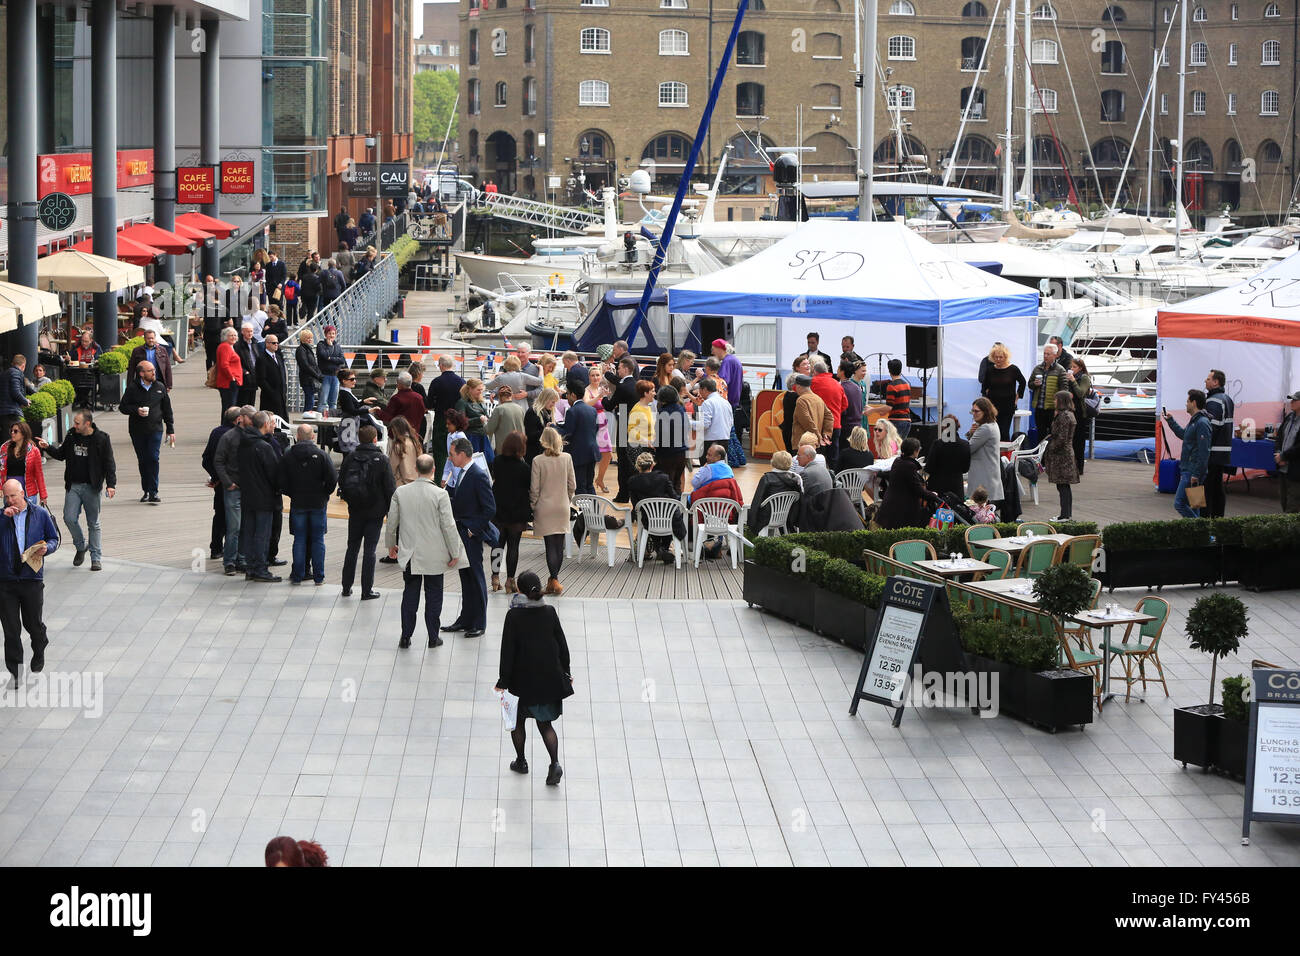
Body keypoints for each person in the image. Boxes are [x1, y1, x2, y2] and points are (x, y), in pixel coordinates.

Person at [495, 570, 572, 786]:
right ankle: (554, 763)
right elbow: (562, 646)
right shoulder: (549, 612)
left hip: (521, 682)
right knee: (545, 724)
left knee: (517, 722)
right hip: (548, 679)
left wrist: (503, 681)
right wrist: (566, 671)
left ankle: (521, 761)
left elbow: (507, 652)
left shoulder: (513, 616)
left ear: (519, 590)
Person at [385, 454, 463, 648]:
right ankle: (433, 637)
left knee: (410, 594)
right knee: (434, 596)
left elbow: (392, 522)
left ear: (416, 469)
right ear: (434, 470)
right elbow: (448, 526)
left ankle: (406, 636)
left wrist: (391, 545)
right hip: (434, 554)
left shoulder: (401, 492)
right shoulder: (440, 494)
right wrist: (455, 552)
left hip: (410, 553)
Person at [38, 411, 115, 572]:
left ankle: (96, 558)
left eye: (77, 423)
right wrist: (48, 447)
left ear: (87, 424)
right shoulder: (72, 435)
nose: (74, 425)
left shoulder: (101, 438)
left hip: (92, 487)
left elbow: (109, 463)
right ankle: (81, 546)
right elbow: (61, 455)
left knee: (93, 523)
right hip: (73, 485)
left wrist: (111, 484)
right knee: (69, 518)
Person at [0, 479, 59, 684]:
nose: (9, 501)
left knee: (32, 624)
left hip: (31, 579)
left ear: (23, 493)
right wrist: (2, 518)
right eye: (5, 497)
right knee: (11, 630)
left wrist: (47, 548)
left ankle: (40, 645)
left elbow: (54, 539)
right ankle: (15, 672)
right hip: (6, 581)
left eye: (13, 496)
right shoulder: (2, 516)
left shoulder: (39, 514)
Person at [444, 437, 496, 638]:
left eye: (452, 454)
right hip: (461, 531)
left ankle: (479, 622)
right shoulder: (464, 473)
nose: (450, 457)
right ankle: (466, 619)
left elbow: (490, 508)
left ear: (463, 454)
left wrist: (473, 530)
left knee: (476, 578)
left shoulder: (478, 475)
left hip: (470, 534)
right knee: (465, 577)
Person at [338, 424, 396, 598]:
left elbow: (341, 482)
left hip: (355, 510)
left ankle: (346, 587)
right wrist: (389, 511)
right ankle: (366, 590)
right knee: (369, 551)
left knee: (352, 548)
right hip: (375, 512)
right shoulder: (382, 460)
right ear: (375, 439)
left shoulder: (351, 458)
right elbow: (390, 488)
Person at [279, 424, 336, 586]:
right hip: (318, 502)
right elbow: (332, 479)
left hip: (298, 502)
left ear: (297, 436)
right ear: (313, 437)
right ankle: (319, 577)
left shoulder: (289, 455)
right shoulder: (321, 455)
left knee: (299, 539)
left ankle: (297, 575)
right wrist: (324, 493)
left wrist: (292, 493)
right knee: (318, 540)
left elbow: (281, 480)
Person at [236, 411, 283, 583]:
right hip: (264, 497)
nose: (272, 425)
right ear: (264, 425)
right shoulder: (264, 447)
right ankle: (260, 569)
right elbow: (274, 473)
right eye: (270, 423)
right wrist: (279, 488)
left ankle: (250, 568)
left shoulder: (243, 442)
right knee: (262, 534)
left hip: (248, 495)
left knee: (249, 532)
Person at [119, 360, 174, 504]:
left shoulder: (160, 387)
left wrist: (170, 429)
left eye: (154, 370)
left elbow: (167, 409)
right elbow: (123, 407)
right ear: (142, 373)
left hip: (155, 428)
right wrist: (136, 410)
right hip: (137, 430)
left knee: (153, 458)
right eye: (150, 371)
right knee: (143, 460)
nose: (154, 372)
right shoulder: (133, 388)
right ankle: (146, 490)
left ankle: (154, 491)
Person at [530, 426, 576, 596]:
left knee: (550, 545)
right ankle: (554, 579)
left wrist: (534, 505)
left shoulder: (538, 460)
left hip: (545, 506)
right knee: (559, 545)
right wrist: (567, 499)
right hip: (562, 505)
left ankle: (553, 580)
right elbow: (573, 485)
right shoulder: (567, 458)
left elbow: (534, 488)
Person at [490, 431, 533, 594]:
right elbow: (529, 486)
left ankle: (495, 577)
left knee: (497, 545)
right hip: (517, 511)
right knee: (513, 547)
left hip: (499, 509)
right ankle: (510, 580)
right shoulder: (524, 467)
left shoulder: (498, 461)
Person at [214, 405, 255, 575]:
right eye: (250, 418)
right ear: (241, 418)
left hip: (249, 488)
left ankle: (242, 558)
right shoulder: (229, 436)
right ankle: (230, 561)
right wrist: (228, 482)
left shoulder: (253, 435)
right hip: (234, 487)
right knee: (234, 527)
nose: (252, 421)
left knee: (246, 526)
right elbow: (218, 461)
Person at [1164, 389, 1212, 519]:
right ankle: (1202, 536)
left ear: (1194, 403)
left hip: (1192, 472)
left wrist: (1196, 474)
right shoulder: (1195, 421)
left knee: (1179, 503)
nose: (1185, 404)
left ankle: (1205, 532)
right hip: (1191, 470)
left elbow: (1204, 452)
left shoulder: (1201, 423)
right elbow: (1184, 435)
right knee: (1195, 505)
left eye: (1187, 401)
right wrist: (1171, 421)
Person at [875, 437, 939, 529]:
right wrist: (933, 496)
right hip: (900, 510)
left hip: (891, 506)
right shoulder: (909, 466)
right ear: (915, 452)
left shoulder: (898, 461)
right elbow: (917, 489)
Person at [626, 451, 679, 563]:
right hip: (666, 519)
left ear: (637, 465)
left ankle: (657, 548)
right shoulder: (663, 478)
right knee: (674, 516)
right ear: (653, 465)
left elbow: (636, 505)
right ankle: (664, 548)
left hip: (648, 520)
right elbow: (674, 497)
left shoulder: (632, 481)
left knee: (647, 520)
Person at [202, 408, 239, 561]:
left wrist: (215, 478)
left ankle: (216, 548)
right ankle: (232, 552)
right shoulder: (235, 435)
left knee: (219, 515)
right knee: (234, 519)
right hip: (233, 483)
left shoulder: (216, 432)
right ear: (237, 420)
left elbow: (206, 458)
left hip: (219, 481)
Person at [1203, 369, 1235, 519]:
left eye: (1208, 379)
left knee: (1207, 488)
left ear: (1216, 382)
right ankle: (1218, 520)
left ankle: (1204, 521)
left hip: (1212, 452)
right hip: (1222, 452)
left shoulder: (1213, 401)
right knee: (1217, 487)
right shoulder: (1227, 399)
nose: (1205, 381)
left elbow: (1211, 429)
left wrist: (1202, 449)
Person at [1043, 390, 1079, 520]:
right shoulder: (1069, 414)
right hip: (1066, 454)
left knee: (1063, 486)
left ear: (1061, 401)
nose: (1054, 401)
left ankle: (1065, 515)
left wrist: (1050, 448)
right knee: (1064, 486)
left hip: (1062, 456)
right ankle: (1065, 514)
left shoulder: (1064, 416)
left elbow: (1062, 438)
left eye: (1056, 399)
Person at [748, 450, 803, 534]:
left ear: (773, 462)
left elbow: (757, 500)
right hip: (787, 516)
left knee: (746, 510)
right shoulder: (795, 479)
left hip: (767, 517)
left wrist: (751, 521)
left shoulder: (767, 478)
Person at [559, 382, 599, 496]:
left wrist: (553, 427)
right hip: (592, 451)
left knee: (580, 487)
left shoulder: (572, 411)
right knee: (589, 485)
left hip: (579, 454)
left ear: (573, 395)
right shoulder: (592, 410)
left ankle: (585, 513)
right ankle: (595, 513)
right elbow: (595, 428)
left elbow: (568, 432)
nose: (566, 397)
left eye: (567, 394)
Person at [428, 355, 466, 476]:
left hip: (441, 419)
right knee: (459, 453)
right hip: (457, 422)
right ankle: (458, 482)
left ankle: (439, 481)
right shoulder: (461, 381)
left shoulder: (436, 382)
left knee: (440, 455)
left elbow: (429, 403)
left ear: (441, 365)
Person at [981, 343, 1026, 442]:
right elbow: (984, 387)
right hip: (993, 407)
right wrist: (986, 400)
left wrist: (1018, 397)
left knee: (1004, 432)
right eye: (996, 357)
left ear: (1005, 357)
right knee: (993, 432)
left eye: (1000, 357)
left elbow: (1022, 382)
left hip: (1008, 406)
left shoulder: (1013, 369)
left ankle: (1005, 455)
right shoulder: (990, 370)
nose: (998, 359)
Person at [0, 422, 48, 510]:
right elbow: (1, 470)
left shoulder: (34, 450)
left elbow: (39, 474)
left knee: (27, 521)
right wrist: (1, 488)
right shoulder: (4, 448)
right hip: (9, 491)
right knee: (11, 521)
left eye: (15, 431)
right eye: (11, 431)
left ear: (23, 433)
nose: (12, 433)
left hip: (28, 492)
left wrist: (43, 495)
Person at [810, 360, 847, 471]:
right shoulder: (837, 384)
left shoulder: (812, 382)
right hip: (835, 425)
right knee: (833, 457)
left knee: (816, 457)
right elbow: (845, 404)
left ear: (815, 371)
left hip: (818, 426)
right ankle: (833, 481)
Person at [966, 398, 1004, 505]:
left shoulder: (985, 428)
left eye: (976, 411)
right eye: (972, 411)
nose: (974, 414)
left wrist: (967, 436)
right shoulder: (992, 424)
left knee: (980, 512)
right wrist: (971, 433)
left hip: (983, 476)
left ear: (985, 411)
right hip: (988, 474)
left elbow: (969, 448)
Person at [654, 385, 691, 492]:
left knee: (667, 484)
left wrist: (656, 445)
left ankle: (668, 508)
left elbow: (661, 433)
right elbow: (687, 427)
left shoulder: (663, 412)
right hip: (682, 452)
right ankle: (678, 506)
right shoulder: (681, 409)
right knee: (677, 483)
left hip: (668, 453)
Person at [584, 365, 615, 493]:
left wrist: (607, 398)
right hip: (592, 425)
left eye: (597, 375)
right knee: (591, 455)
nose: (595, 377)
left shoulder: (603, 388)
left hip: (604, 424)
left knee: (608, 454)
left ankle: (600, 479)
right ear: (589, 377)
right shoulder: (587, 390)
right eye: (593, 375)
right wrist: (598, 397)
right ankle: (588, 482)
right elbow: (586, 403)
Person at [1027, 343, 1067, 443]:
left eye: (1048, 354)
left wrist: (1059, 408)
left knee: (1053, 434)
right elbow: (1029, 384)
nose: (1045, 356)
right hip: (1039, 407)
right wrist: (1034, 384)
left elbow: (1064, 390)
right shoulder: (1037, 368)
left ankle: (1051, 457)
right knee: (1040, 434)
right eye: (1044, 353)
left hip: (1052, 408)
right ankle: (1042, 458)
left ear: (1055, 355)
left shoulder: (1060, 370)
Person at [925, 415, 971, 499]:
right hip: (956, 487)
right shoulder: (965, 444)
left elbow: (929, 467)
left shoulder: (937, 444)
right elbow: (965, 469)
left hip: (937, 487)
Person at [1063, 357, 1093, 475]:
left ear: (1080, 368)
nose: (1072, 369)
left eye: (1074, 367)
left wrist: (1073, 381)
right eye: (1071, 367)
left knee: (1079, 441)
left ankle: (1079, 467)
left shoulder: (1084, 377)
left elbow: (1080, 393)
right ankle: (1070, 466)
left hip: (1080, 412)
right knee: (1069, 439)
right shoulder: (1071, 377)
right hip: (1070, 410)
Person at [694, 377, 733, 465]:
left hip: (710, 441)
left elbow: (705, 424)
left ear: (704, 389)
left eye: (700, 389)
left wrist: (689, 423)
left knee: (707, 469)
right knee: (720, 468)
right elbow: (731, 423)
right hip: (725, 439)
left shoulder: (707, 403)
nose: (699, 392)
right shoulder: (726, 403)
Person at [456, 378, 495, 464]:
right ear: (470, 389)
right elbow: (461, 422)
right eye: (478, 390)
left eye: (482, 390)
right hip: (471, 436)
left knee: (489, 461)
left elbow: (485, 415)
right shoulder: (462, 402)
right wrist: (478, 420)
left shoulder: (480, 401)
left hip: (482, 434)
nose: (480, 392)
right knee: (475, 462)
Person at [791, 374, 832, 451]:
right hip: (815, 444)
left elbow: (806, 421)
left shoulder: (801, 400)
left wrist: (818, 436)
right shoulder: (818, 399)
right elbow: (829, 416)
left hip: (802, 443)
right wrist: (827, 433)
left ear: (799, 387)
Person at [377, 371, 427, 435]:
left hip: (398, 435)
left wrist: (378, 411)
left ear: (399, 384)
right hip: (414, 433)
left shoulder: (396, 398)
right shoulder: (419, 397)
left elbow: (388, 417)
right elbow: (422, 413)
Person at [1275, 391, 1300, 513]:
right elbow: (1279, 437)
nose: (1291, 402)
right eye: (1291, 400)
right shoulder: (1289, 417)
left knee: (1292, 506)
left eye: (1295, 400)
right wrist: (1278, 453)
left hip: (1296, 470)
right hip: (1283, 469)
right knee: (1284, 501)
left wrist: (1284, 456)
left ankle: (1291, 532)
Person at [256, 334, 289, 420]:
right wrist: (271, 392)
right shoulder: (261, 359)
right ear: (267, 344)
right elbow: (261, 380)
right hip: (269, 397)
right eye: (274, 343)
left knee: (282, 419)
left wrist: (284, 389)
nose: (276, 344)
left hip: (281, 394)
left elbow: (283, 375)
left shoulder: (278, 357)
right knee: (270, 420)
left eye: (277, 343)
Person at [315, 326, 345, 416]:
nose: (331, 335)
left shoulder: (338, 346)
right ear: (325, 334)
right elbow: (324, 355)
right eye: (329, 333)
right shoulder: (321, 345)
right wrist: (329, 346)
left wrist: (330, 358)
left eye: (333, 333)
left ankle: (332, 420)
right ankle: (321, 424)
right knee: (323, 401)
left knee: (333, 401)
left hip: (335, 376)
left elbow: (342, 360)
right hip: (325, 376)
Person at [523, 387, 558, 464]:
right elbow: (530, 436)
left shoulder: (548, 411)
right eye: (552, 402)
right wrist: (546, 429)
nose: (553, 405)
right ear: (546, 399)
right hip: (534, 454)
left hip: (545, 453)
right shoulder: (532, 412)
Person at [486, 384, 525, 451]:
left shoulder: (499, 409)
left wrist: (484, 421)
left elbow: (488, 430)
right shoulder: (520, 408)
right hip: (519, 447)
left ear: (499, 397)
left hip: (504, 449)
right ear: (511, 395)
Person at [214, 327, 243, 417]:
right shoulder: (225, 346)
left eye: (235, 335)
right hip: (228, 383)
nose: (234, 337)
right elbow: (224, 364)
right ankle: (227, 428)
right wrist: (232, 378)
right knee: (229, 409)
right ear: (225, 337)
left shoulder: (230, 346)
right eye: (231, 335)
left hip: (230, 381)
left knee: (229, 407)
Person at [0, 356, 32, 435]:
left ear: (13, 363)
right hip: (11, 413)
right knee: (15, 437)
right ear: (23, 365)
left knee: (8, 437)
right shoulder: (16, 373)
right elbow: (15, 392)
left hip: (4, 411)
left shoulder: (5, 373)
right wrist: (25, 401)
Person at [387, 414, 421, 488]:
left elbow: (392, 468)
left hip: (402, 484)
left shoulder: (397, 446)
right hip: (417, 482)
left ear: (396, 430)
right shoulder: (415, 442)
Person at [440, 408, 471, 487]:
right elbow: (449, 458)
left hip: (461, 478)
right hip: (453, 478)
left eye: (449, 424)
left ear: (456, 424)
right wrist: (445, 477)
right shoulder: (449, 435)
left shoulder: (461, 437)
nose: (447, 426)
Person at [838, 360, 865, 449]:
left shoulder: (842, 388)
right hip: (857, 425)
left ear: (842, 372)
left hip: (846, 427)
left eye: (838, 368)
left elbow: (843, 410)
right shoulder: (857, 387)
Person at [883, 359, 913, 438]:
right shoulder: (907, 384)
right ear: (900, 370)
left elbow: (889, 407)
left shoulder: (891, 386)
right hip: (907, 420)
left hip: (895, 421)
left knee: (893, 448)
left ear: (889, 371)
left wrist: (872, 410)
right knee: (900, 447)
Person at [233, 323, 261, 407]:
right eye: (247, 331)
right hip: (244, 378)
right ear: (242, 332)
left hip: (254, 377)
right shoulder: (238, 345)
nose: (250, 333)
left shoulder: (254, 343)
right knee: (243, 403)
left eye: (251, 331)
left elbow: (257, 358)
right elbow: (235, 362)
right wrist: (244, 372)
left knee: (251, 404)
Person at [296, 329, 323, 414]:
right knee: (310, 402)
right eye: (308, 338)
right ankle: (305, 421)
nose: (310, 340)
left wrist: (319, 374)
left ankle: (306, 419)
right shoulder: (301, 349)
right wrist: (317, 375)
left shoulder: (308, 349)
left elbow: (314, 364)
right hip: (307, 379)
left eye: (311, 338)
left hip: (311, 378)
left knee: (310, 401)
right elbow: (305, 366)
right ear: (302, 339)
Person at [628, 380, 656, 457]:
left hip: (646, 447)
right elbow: (631, 431)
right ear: (646, 393)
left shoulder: (648, 407)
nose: (655, 393)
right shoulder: (637, 410)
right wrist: (646, 441)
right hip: (638, 448)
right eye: (653, 391)